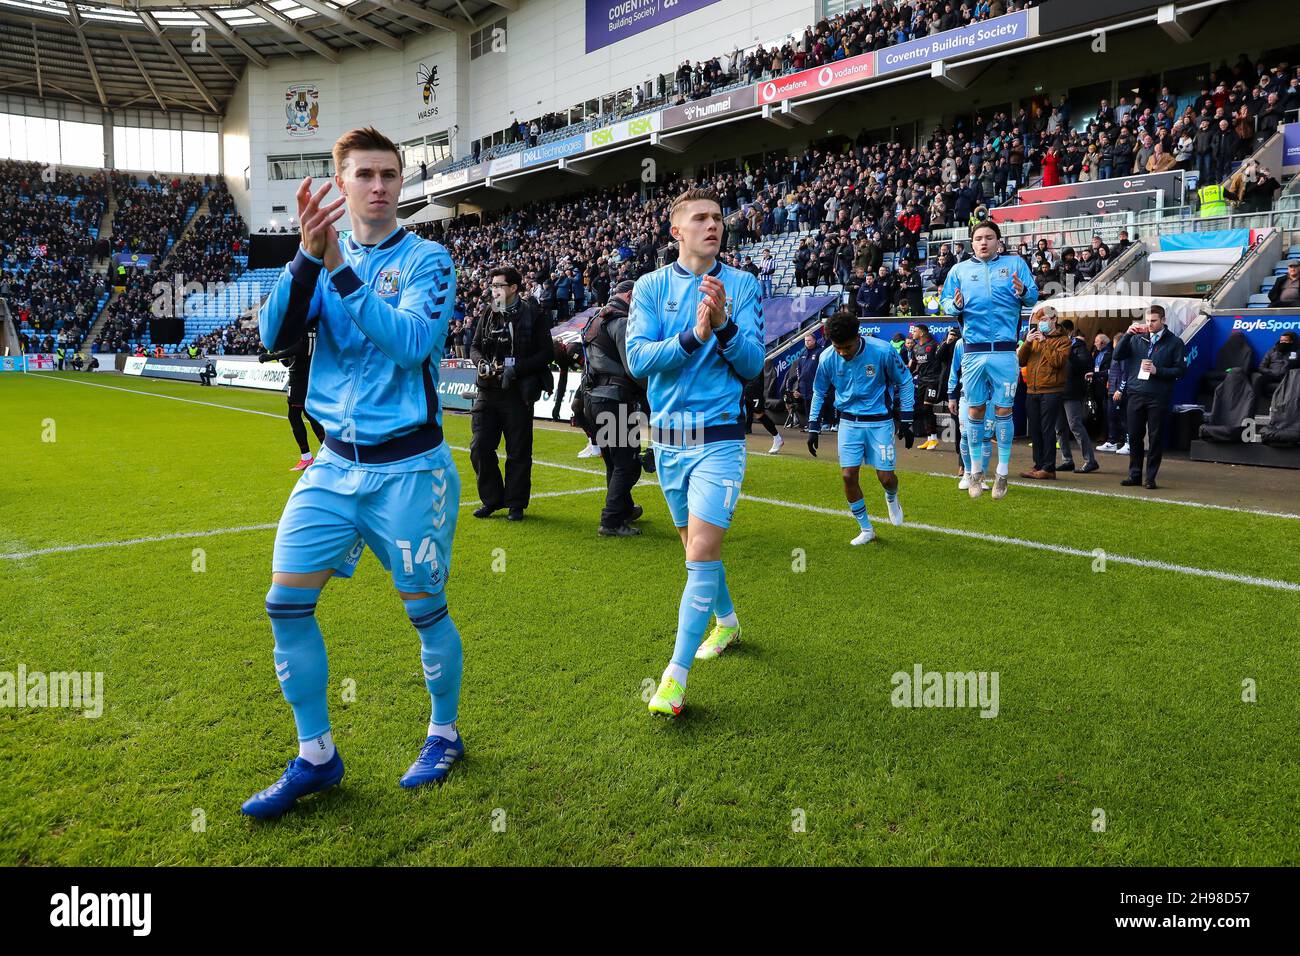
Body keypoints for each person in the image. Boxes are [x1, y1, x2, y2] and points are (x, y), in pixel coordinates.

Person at [243, 126, 463, 819]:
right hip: (332, 467)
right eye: (364, 174)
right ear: (340, 185)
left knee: (425, 613)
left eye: (389, 174)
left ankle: (443, 732)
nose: (378, 185)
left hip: (410, 471)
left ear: (401, 184)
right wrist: (309, 259)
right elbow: (271, 334)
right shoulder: (317, 255)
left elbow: (410, 345)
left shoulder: (431, 260)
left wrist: (340, 268)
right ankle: (317, 756)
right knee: (284, 604)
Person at [626, 187, 764, 717]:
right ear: (676, 231)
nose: (713, 225)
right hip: (669, 440)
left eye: (718, 218)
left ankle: (674, 679)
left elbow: (752, 365)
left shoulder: (744, 285)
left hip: (719, 437)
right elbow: (638, 360)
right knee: (694, 550)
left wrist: (725, 324)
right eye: (700, 218)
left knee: (701, 552)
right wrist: (691, 336)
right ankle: (727, 624)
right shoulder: (650, 286)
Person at [941, 219, 1039, 498]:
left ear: (998, 241)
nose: (983, 242)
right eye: (978, 238)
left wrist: (1022, 291)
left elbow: (1033, 298)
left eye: (989, 237)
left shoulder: (1016, 264)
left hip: (1006, 352)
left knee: (1003, 412)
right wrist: (955, 306)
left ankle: (1003, 473)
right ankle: (974, 472)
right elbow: (945, 301)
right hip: (974, 352)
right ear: (972, 243)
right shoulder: (959, 270)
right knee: (974, 411)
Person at [806, 310, 914, 545]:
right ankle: (866, 529)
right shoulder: (827, 358)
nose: (843, 352)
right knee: (848, 476)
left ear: (858, 337)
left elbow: (905, 381)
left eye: (847, 347)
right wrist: (813, 425)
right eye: (838, 347)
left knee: (886, 478)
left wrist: (906, 419)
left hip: (880, 423)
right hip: (848, 423)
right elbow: (819, 391)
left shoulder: (883, 351)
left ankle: (892, 497)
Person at [469, 266, 553, 521]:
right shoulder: (488, 312)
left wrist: (515, 370)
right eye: (492, 286)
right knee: (480, 447)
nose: (493, 290)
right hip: (487, 390)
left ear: (514, 288)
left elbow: (546, 353)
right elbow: (474, 346)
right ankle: (493, 500)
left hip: (518, 392)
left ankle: (516, 504)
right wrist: (481, 363)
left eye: (498, 286)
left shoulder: (533, 313)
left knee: (518, 451)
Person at [578, 279, 647, 537]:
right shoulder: (621, 321)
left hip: (593, 399)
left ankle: (624, 508)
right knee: (627, 463)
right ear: (630, 296)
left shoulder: (595, 318)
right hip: (614, 399)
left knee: (614, 461)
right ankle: (611, 521)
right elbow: (634, 368)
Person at [1113, 304, 1187, 489]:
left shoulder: (1175, 342)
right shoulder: (1137, 339)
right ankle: (1134, 474)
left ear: (1163, 320)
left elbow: (1180, 370)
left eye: (1153, 321)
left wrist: (1157, 370)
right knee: (1135, 436)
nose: (1150, 324)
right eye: (1147, 321)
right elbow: (1117, 355)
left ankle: (1150, 477)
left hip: (1158, 396)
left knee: (1155, 437)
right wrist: (1128, 334)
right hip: (1136, 393)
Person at [1016, 304, 1070, 479]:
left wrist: (1045, 342)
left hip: (1051, 390)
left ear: (1054, 320)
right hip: (1032, 390)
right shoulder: (1033, 339)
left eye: (1045, 320)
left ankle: (1048, 468)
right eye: (1040, 321)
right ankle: (1038, 465)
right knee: (1035, 430)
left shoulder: (1063, 340)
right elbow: (1020, 361)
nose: (1041, 324)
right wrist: (1027, 343)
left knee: (1047, 430)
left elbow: (1057, 362)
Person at [260, 333, 326, 470]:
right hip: (311, 376)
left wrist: (272, 356)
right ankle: (328, 454)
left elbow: (298, 347)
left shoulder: (302, 329)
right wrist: (281, 357)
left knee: (295, 416)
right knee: (310, 415)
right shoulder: (314, 328)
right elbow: (292, 357)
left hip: (299, 379)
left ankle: (307, 457)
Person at [1056, 319, 1100, 474]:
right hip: (1058, 390)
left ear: (1068, 331)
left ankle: (1090, 460)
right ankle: (1067, 460)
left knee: (1075, 425)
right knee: (1060, 428)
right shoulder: (1058, 345)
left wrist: (1068, 353)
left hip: (1072, 392)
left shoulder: (1078, 347)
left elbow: (1084, 365)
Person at [908, 323, 943, 449]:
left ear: (921, 333)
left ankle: (934, 438)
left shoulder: (934, 346)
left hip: (933, 380)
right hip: (921, 381)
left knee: (927, 408)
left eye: (915, 331)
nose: (913, 333)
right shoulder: (916, 348)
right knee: (922, 409)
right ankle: (930, 438)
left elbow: (942, 362)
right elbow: (913, 366)